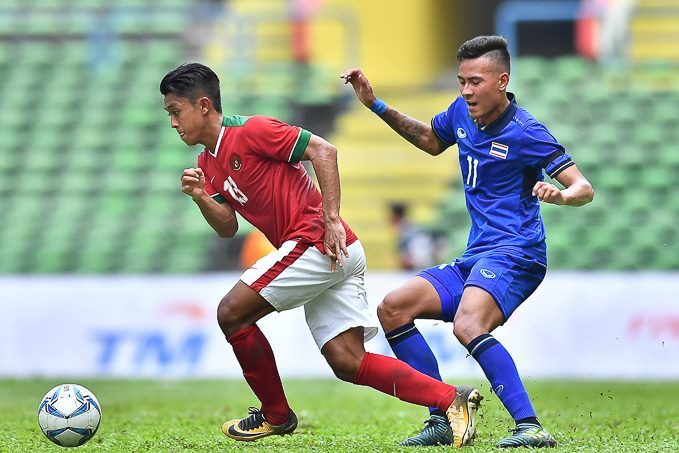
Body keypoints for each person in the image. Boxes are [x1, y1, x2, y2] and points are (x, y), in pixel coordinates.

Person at [159, 63, 482, 447]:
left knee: (231, 313)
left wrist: (330, 219)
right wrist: (200, 198)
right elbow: (227, 226)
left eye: (176, 112)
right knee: (347, 360)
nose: (174, 123)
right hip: (332, 250)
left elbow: (323, 150)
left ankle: (276, 415)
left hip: (316, 241)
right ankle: (451, 399)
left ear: (204, 105)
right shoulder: (206, 164)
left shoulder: (252, 130)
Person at [342, 35, 594, 448]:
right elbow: (430, 141)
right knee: (393, 309)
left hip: (518, 253)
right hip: (476, 255)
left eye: (475, 82)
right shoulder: (462, 112)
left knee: (468, 325)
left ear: (502, 80)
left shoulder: (527, 131)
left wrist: (563, 195)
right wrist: (375, 104)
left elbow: (584, 186)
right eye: (461, 81)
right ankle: (442, 419)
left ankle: (529, 426)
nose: (465, 91)